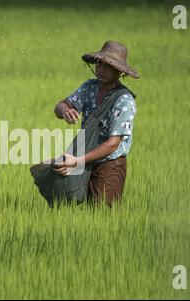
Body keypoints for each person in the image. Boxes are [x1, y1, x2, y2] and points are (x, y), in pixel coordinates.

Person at [52, 40, 139, 207]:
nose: (101, 69)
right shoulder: (89, 87)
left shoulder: (124, 100)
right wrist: (65, 111)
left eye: (108, 66)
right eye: (99, 64)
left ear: (119, 71)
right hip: (83, 156)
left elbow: (113, 144)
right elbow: (60, 106)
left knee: (102, 212)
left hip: (109, 164)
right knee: (66, 203)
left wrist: (78, 161)